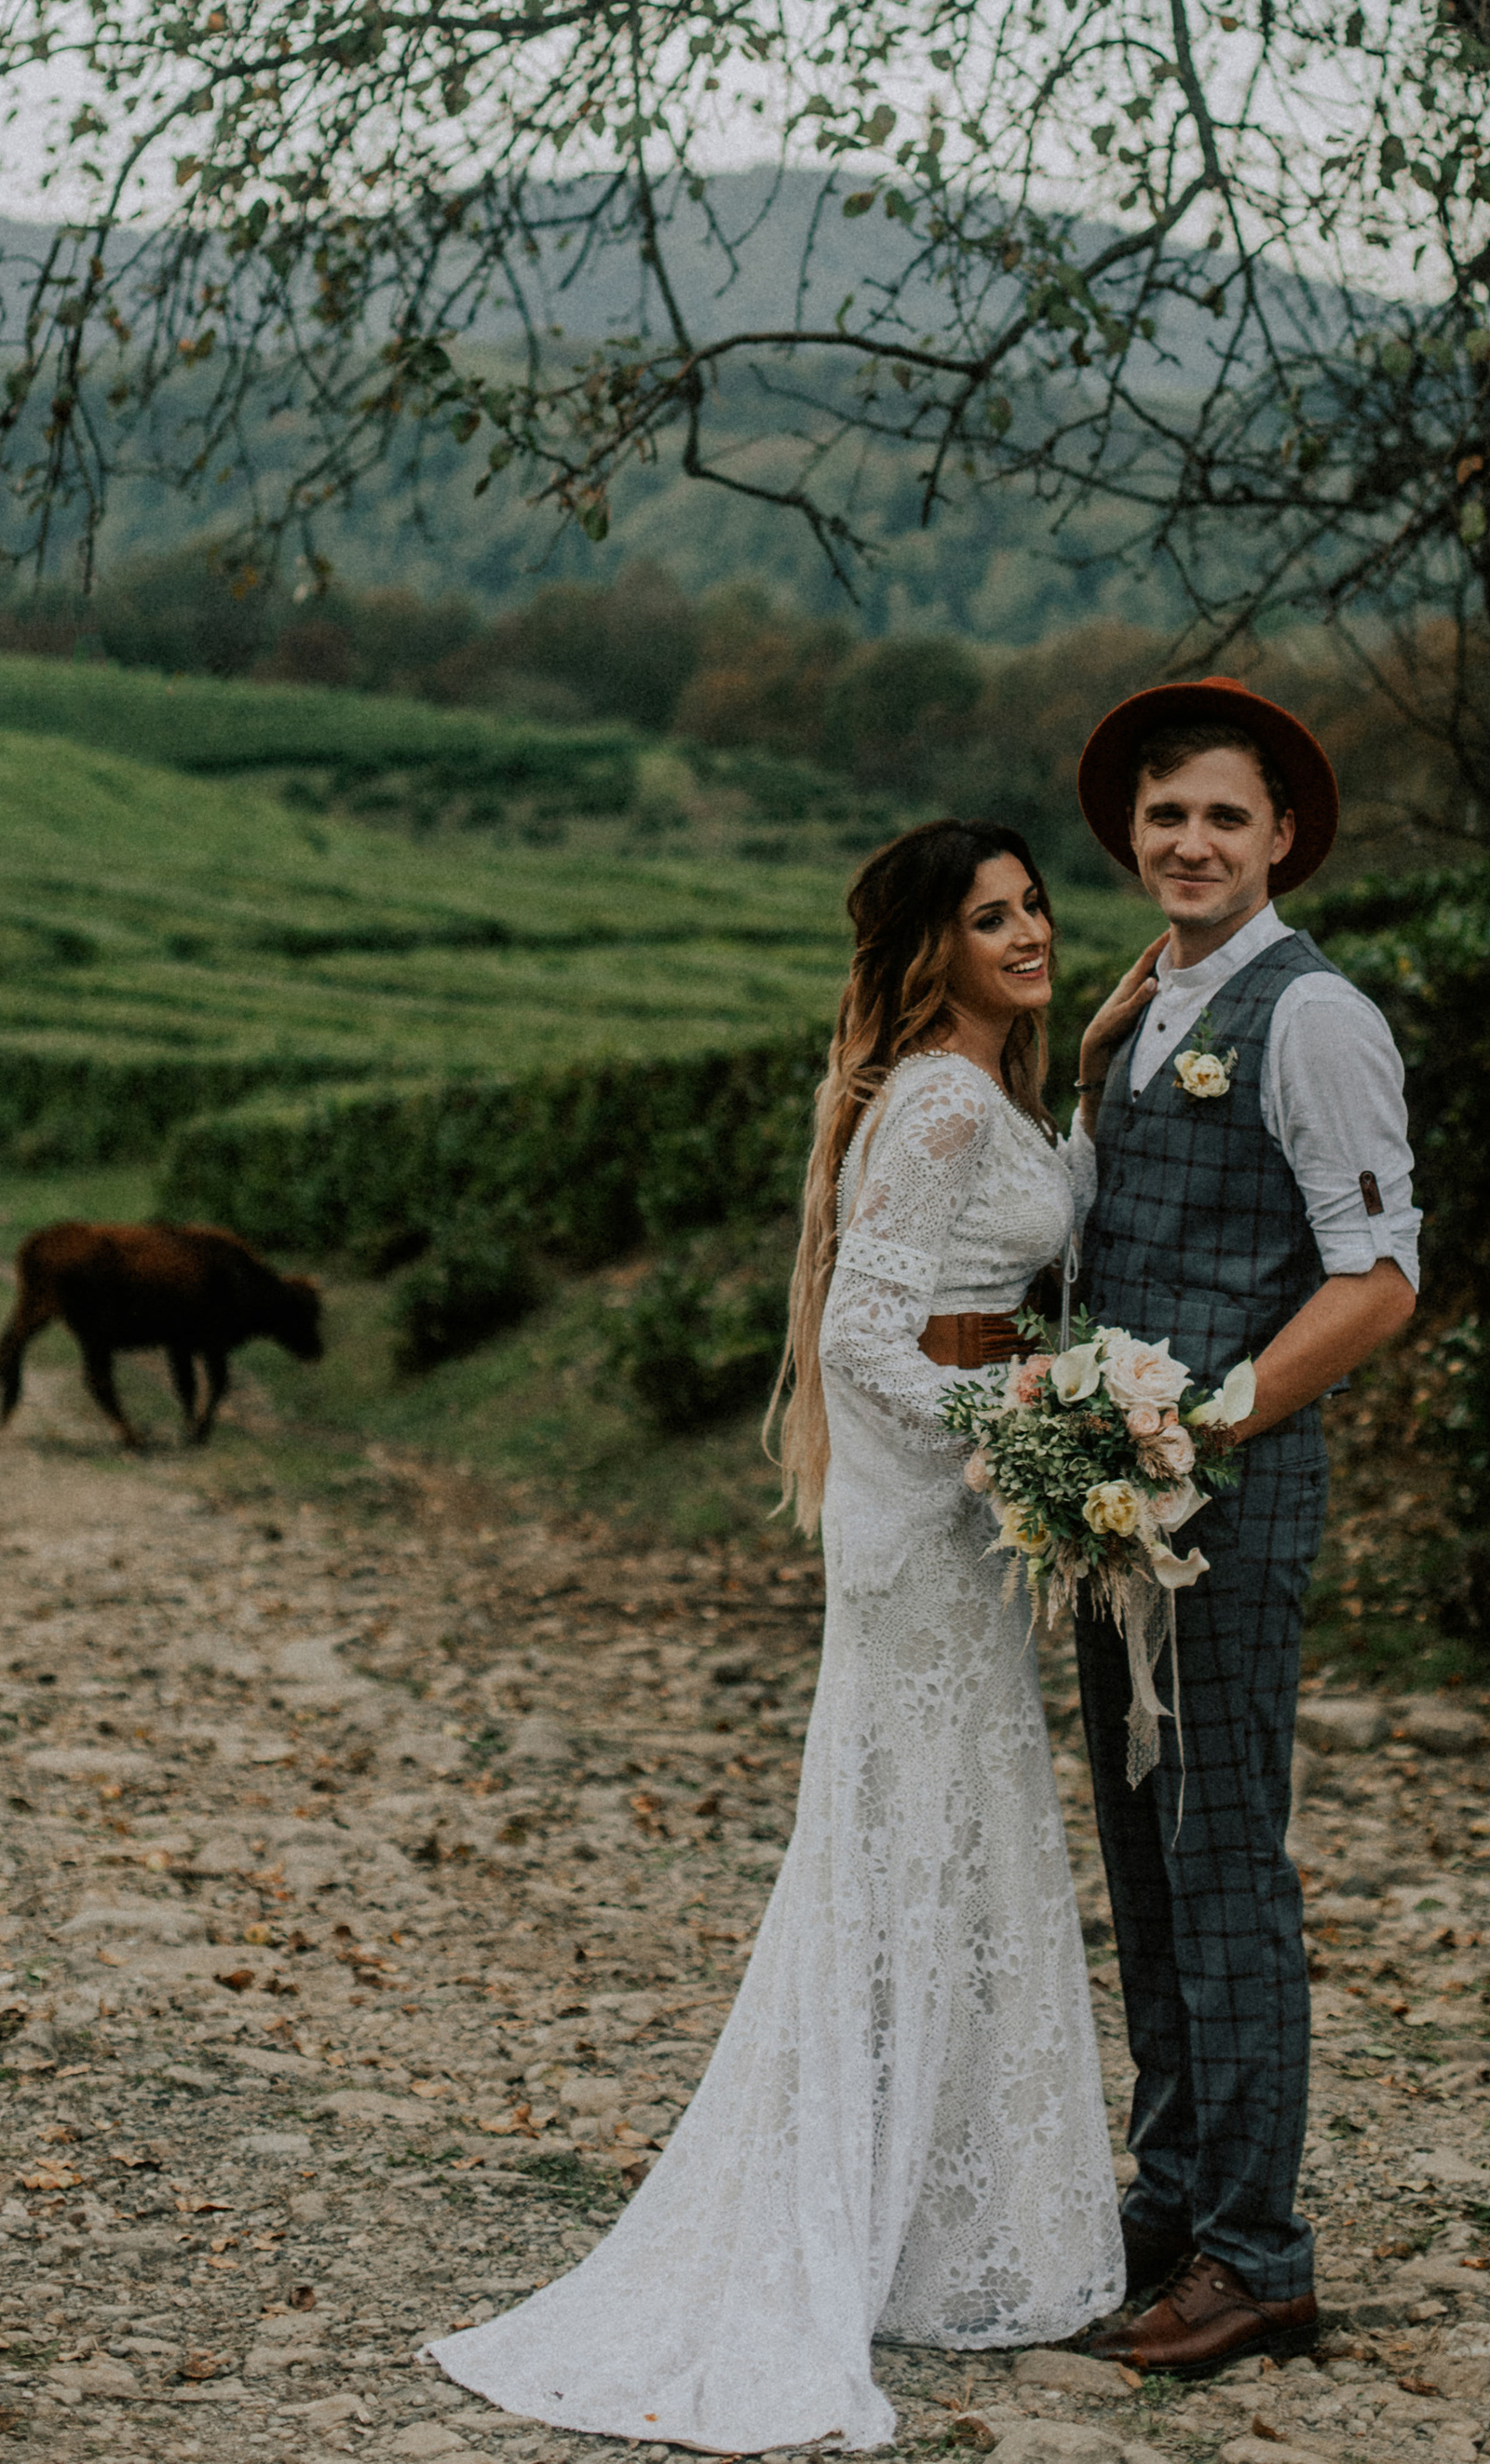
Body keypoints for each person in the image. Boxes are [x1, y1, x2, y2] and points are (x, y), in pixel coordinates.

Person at [415, 818, 1120, 2455]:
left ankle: (943, 2224)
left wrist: (1081, 1067)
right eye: (990, 918)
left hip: (954, 1520)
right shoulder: (942, 1100)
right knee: (916, 1849)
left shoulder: (990, 1086)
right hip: (935, 1525)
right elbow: (866, 1332)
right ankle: (894, 2226)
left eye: (1035, 908)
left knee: (943, 1847)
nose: (1027, 933)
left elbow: (1025, 1238)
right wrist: (1017, 1420)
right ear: (929, 949)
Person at [1066, 678, 1420, 2380]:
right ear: (1132, 839)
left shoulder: (1313, 1016)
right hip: (1108, 1510)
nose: (1189, 841)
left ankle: (1260, 2250)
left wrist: (1209, 1420)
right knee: (1143, 1863)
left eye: (1223, 815)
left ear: (1281, 836)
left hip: (1227, 1498)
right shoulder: (1140, 1006)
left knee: (1223, 1867)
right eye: (1164, 816)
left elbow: (1379, 1280)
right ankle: (1171, 2201)